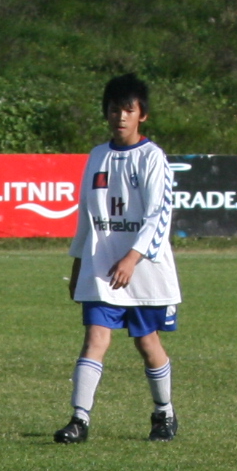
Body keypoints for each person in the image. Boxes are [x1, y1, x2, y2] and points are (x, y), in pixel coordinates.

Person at [55, 73, 179, 443]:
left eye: (128, 110)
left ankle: (164, 413)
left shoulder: (152, 158)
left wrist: (132, 258)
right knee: (95, 338)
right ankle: (79, 420)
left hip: (144, 271)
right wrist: (78, 264)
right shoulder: (98, 156)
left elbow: (159, 216)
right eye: (114, 109)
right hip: (101, 268)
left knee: (147, 343)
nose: (120, 116)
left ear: (143, 115)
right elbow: (86, 216)